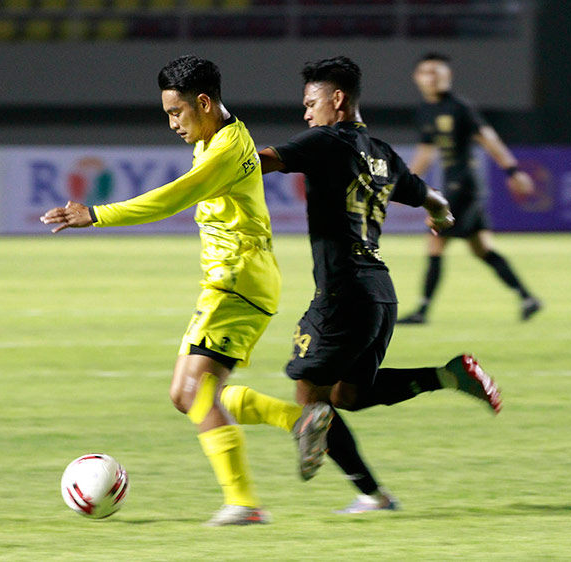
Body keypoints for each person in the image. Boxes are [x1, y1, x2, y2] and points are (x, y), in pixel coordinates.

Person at [39, 55, 332, 526]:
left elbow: (172, 197)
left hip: (236, 280)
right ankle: (298, 421)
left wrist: (95, 214)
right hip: (239, 280)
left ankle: (243, 503)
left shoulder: (225, 152)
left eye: (177, 113)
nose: (173, 124)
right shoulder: (217, 133)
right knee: (190, 394)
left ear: (203, 102)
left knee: (193, 390)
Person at [216, 56, 502, 514]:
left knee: (310, 395)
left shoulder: (325, 140)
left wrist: (221, 129)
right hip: (380, 294)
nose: (306, 114)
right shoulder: (382, 152)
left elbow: (260, 160)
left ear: (337, 100)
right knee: (347, 394)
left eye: (311, 104)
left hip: (343, 292)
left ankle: (371, 492)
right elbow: (428, 194)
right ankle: (448, 375)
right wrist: (439, 213)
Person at [397, 52, 542, 324]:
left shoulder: (460, 107)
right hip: (462, 187)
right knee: (481, 248)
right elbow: (426, 153)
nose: (432, 77)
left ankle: (422, 311)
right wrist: (404, 184)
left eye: (437, 72)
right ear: (417, 78)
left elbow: (488, 138)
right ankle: (527, 298)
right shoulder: (427, 110)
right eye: (426, 72)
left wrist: (512, 171)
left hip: (462, 186)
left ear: (447, 77)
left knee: (435, 242)